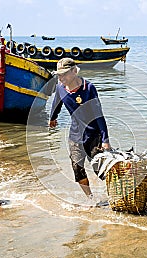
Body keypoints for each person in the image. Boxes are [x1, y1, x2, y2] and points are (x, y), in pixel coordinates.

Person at [49, 58, 111, 199]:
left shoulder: (88, 88)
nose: (61, 77)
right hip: (75, 136)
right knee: (78, 170)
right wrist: (52, 118)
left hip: (93, 135)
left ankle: (115, 196)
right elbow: (56, 103)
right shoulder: (60, 87)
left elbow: (99, 115)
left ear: (74, 71)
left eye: (64, 74)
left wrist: (105, 139)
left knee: (100, 170)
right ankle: (91, 199)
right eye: (59, 74)